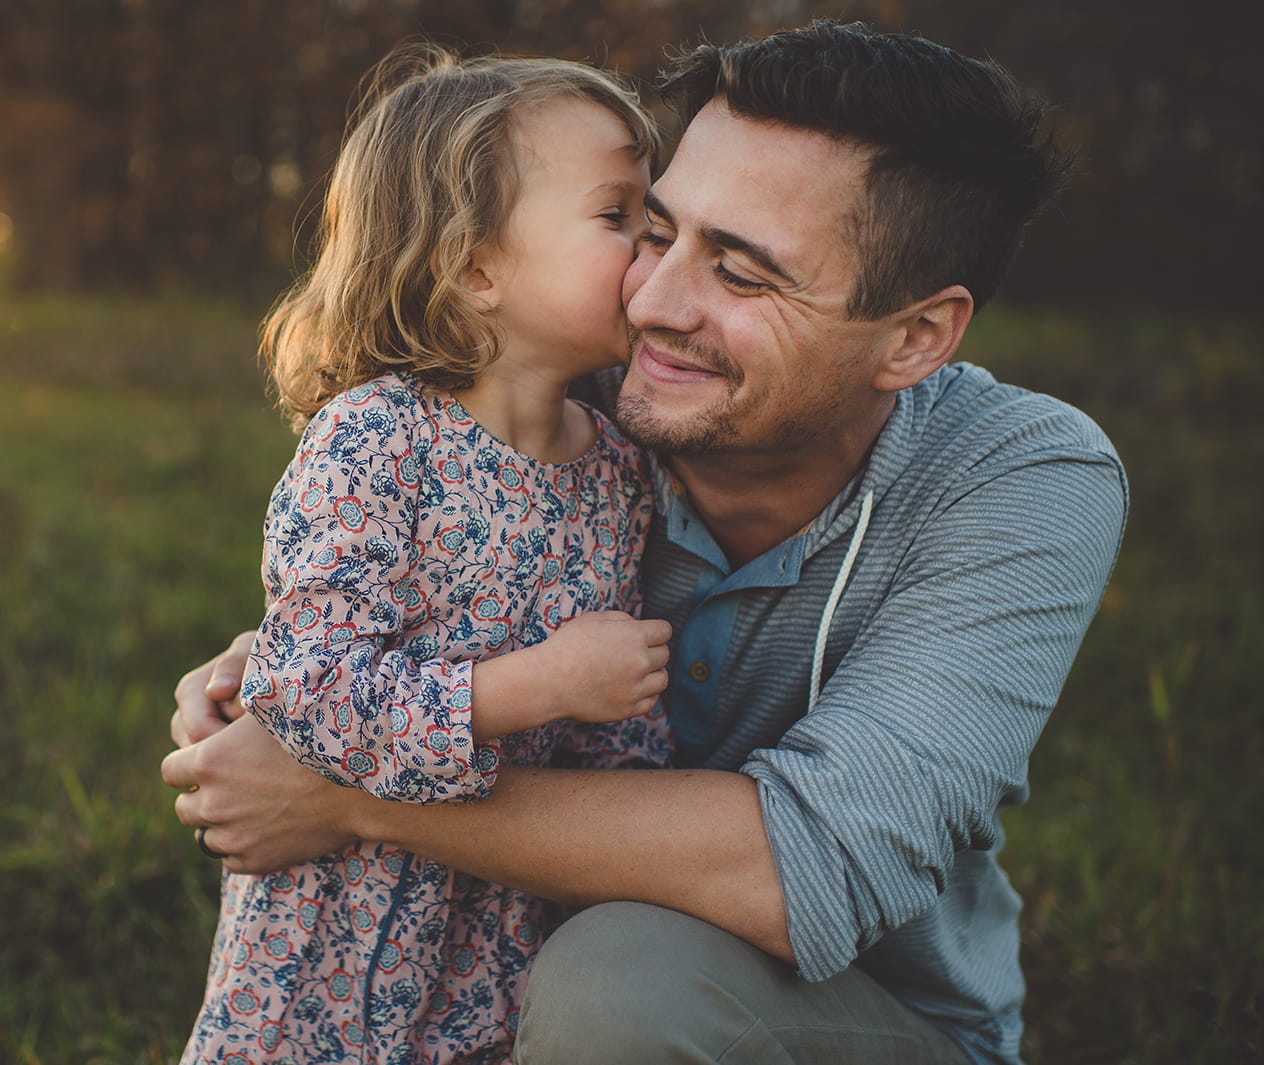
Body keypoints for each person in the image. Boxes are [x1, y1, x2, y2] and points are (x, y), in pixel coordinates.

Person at [164, 21, 1129, 1065]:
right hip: (484, 971)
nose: (654, 303)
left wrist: (345, 794)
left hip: (861, 1019)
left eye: (744, 275)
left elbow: (809, 868)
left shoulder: (1022, 476)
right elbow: (385, 605)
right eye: (654, 230)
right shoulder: (560, 406)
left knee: (618, 984)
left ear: (914, 338)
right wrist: (259, 675)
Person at [176, 44, 677, 1065]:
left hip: (501, 920)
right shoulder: (377, 438)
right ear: (474, 266)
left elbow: (608, 731)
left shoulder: (619, 469)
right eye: (616, 216)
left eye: (650, 219)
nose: (653, 252)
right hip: (335, 932)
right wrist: (540, 686)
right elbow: (310, 692)